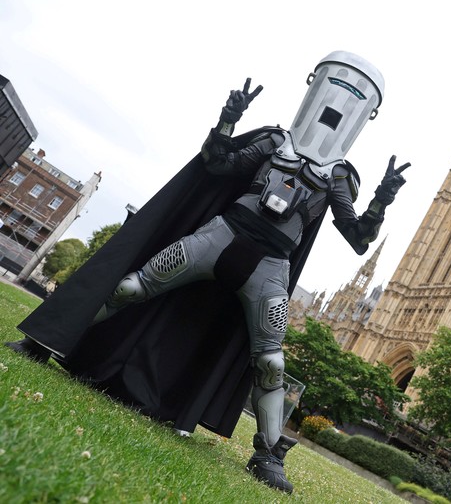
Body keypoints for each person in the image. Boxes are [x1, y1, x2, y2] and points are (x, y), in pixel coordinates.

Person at [5, 51, 409, 493]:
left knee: (271, 361)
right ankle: (46, 341)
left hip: (268, 268)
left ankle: (267, 454)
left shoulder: (339, 176)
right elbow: (219, 164)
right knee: (130, 287)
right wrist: (227, 121)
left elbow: (356, 237)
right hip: (219, 238)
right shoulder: (276, 142)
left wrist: (381, 202)